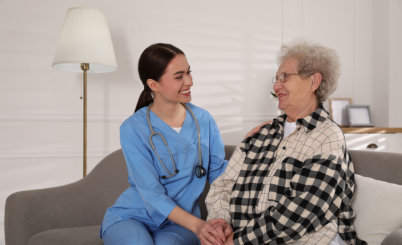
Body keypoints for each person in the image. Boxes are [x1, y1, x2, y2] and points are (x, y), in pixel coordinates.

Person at [206, 40, 365, 245]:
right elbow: (224, 185)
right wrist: (219, 223)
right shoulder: (261, 134)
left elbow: (303, 209)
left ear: (314, 82)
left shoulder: (327, 137)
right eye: (277, 77)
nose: (276, 85)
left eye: (285, 77)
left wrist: (238, 240)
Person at [101, 43, 229, 245]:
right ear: (154, 85)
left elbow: (220, 175)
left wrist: (250, 146)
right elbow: (151, 193)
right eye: (179, 77)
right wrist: (199, 226)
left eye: (189, 73)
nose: (190, 81)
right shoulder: (133, 128)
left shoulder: (203, 120)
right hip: (132, 216)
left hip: (182, 223)